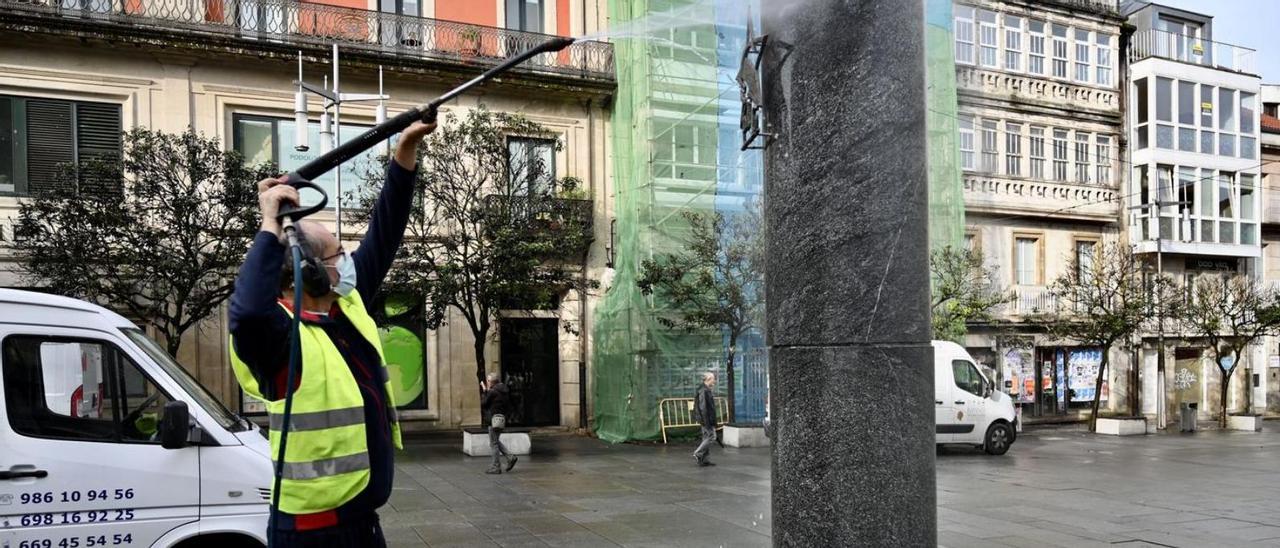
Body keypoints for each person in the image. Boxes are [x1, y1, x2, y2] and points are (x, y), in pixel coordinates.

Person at [227, 120, 435, 547]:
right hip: (315, 533)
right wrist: (269, 224)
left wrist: (406, 150)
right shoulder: (278, 338)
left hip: (361, 520)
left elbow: (387, 229)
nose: (350, 258)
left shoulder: (345, 307)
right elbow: (246, 312)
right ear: (310, 271)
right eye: (339, 252)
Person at [480, 372, 518, 474]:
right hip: (501, 419)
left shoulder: (492, 392)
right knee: (495, 441)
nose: (487, 382)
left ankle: (496, 466)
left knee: (494, 444)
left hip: (493, 420)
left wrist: (484, 391)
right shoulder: (504, 390)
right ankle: (510, 457)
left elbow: (484, 404)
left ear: (491, 382)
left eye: (488, 380)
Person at [693, 372, 718, 467]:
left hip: (704, 418)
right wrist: (707, 422)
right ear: (708, 379)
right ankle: (698, 453)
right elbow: (703, 408)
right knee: (712, 437)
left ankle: (704, 459)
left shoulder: (705, 389)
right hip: (705, 419)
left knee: (706, 437)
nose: (714, 381)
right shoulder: (704, 390)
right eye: (713, 379)